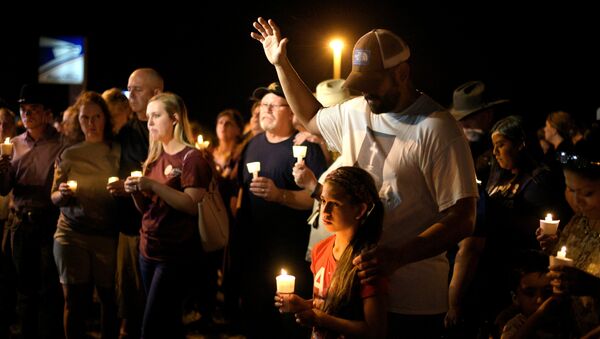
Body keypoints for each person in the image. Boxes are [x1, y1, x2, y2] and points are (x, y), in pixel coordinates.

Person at [251, 18, 477, 338]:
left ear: (401, 73)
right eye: (360, 84)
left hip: (413, 300)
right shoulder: (357, 109)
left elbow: (463, 217)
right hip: (354, 292)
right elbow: (312, 119)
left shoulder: (437, 129)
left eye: (374, 82)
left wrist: (398, 256)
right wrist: (281, 63)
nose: (366, 92)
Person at [236, 81, 327, 338]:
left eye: (274, 105)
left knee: (288, 322)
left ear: (291, 111)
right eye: (263, 105)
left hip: (291, 251)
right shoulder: (252, 145)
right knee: (257, 317)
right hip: (256, 251)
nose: (266, 110)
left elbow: (318, 200)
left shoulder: (306, 148)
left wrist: (280, 195)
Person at [123, 92, 211, 338]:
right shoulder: (153, 157)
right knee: (169, 324)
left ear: (174, 118)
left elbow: (192, 205)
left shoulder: (191, 158)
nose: (149, 122)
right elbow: (146, 209)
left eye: (156, 115)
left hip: (174, 253)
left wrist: (152, 186)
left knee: (150, 327)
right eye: (148, 116)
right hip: (147, 248)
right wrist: (135, 191)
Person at [275, 166, 387, 338]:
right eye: (323, 201)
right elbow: (327, 304)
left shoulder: (367, 262)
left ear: (360, 210)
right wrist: (303, 305)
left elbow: (374, 331)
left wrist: (321, 320)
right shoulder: (320, 249)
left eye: (334, 204)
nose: (325, 211)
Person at [0, 84, 67, 339]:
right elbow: (4, 189)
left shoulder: (59, 143)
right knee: (24, 288)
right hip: (20, 223)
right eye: (24, 110)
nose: (27, 115)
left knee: (49, 288)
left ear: (46, 113)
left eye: (33, 109)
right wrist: (2, 170)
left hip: (48, 221)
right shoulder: (14, 145)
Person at [50, 91, 120, 338]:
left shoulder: (116, 151)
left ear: (105, 119)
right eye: (85, 117)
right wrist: (62, 193)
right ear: (77, 121)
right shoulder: (69, 153)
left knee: (109, 300)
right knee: (74, 302)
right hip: (71, 233)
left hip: (106, 234)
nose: (91, 123)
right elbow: (54, 198)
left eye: (96, 116)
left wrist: (122, 190)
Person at [107, 67, 164, 338]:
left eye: (138, 89)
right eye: (129, 89)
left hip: (162, 229)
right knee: (129, 304)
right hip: (130, 227)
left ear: (157, 93)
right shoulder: (125, 131)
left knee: (158, 307)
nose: (131, 95)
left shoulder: (168, 132)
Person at [0, 105, 17, 338]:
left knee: (8, 272)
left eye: (6, 123)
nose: (2, 127)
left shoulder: (18, 149)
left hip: (10, 220)